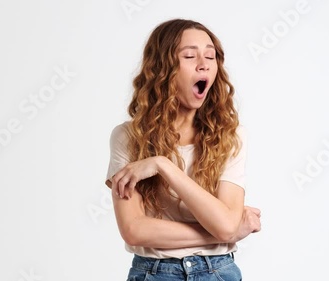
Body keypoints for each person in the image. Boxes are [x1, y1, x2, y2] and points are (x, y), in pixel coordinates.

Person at [105, 18, 261, 281]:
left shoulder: (231, 136)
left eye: (210, 56)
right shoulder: (128, 137)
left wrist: (162, 165)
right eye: (190, 56)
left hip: (218, 272)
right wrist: (227, 232)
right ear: (162, 69)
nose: (204, 64)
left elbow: (225, 223)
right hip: (154, 273)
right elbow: (133, 229)